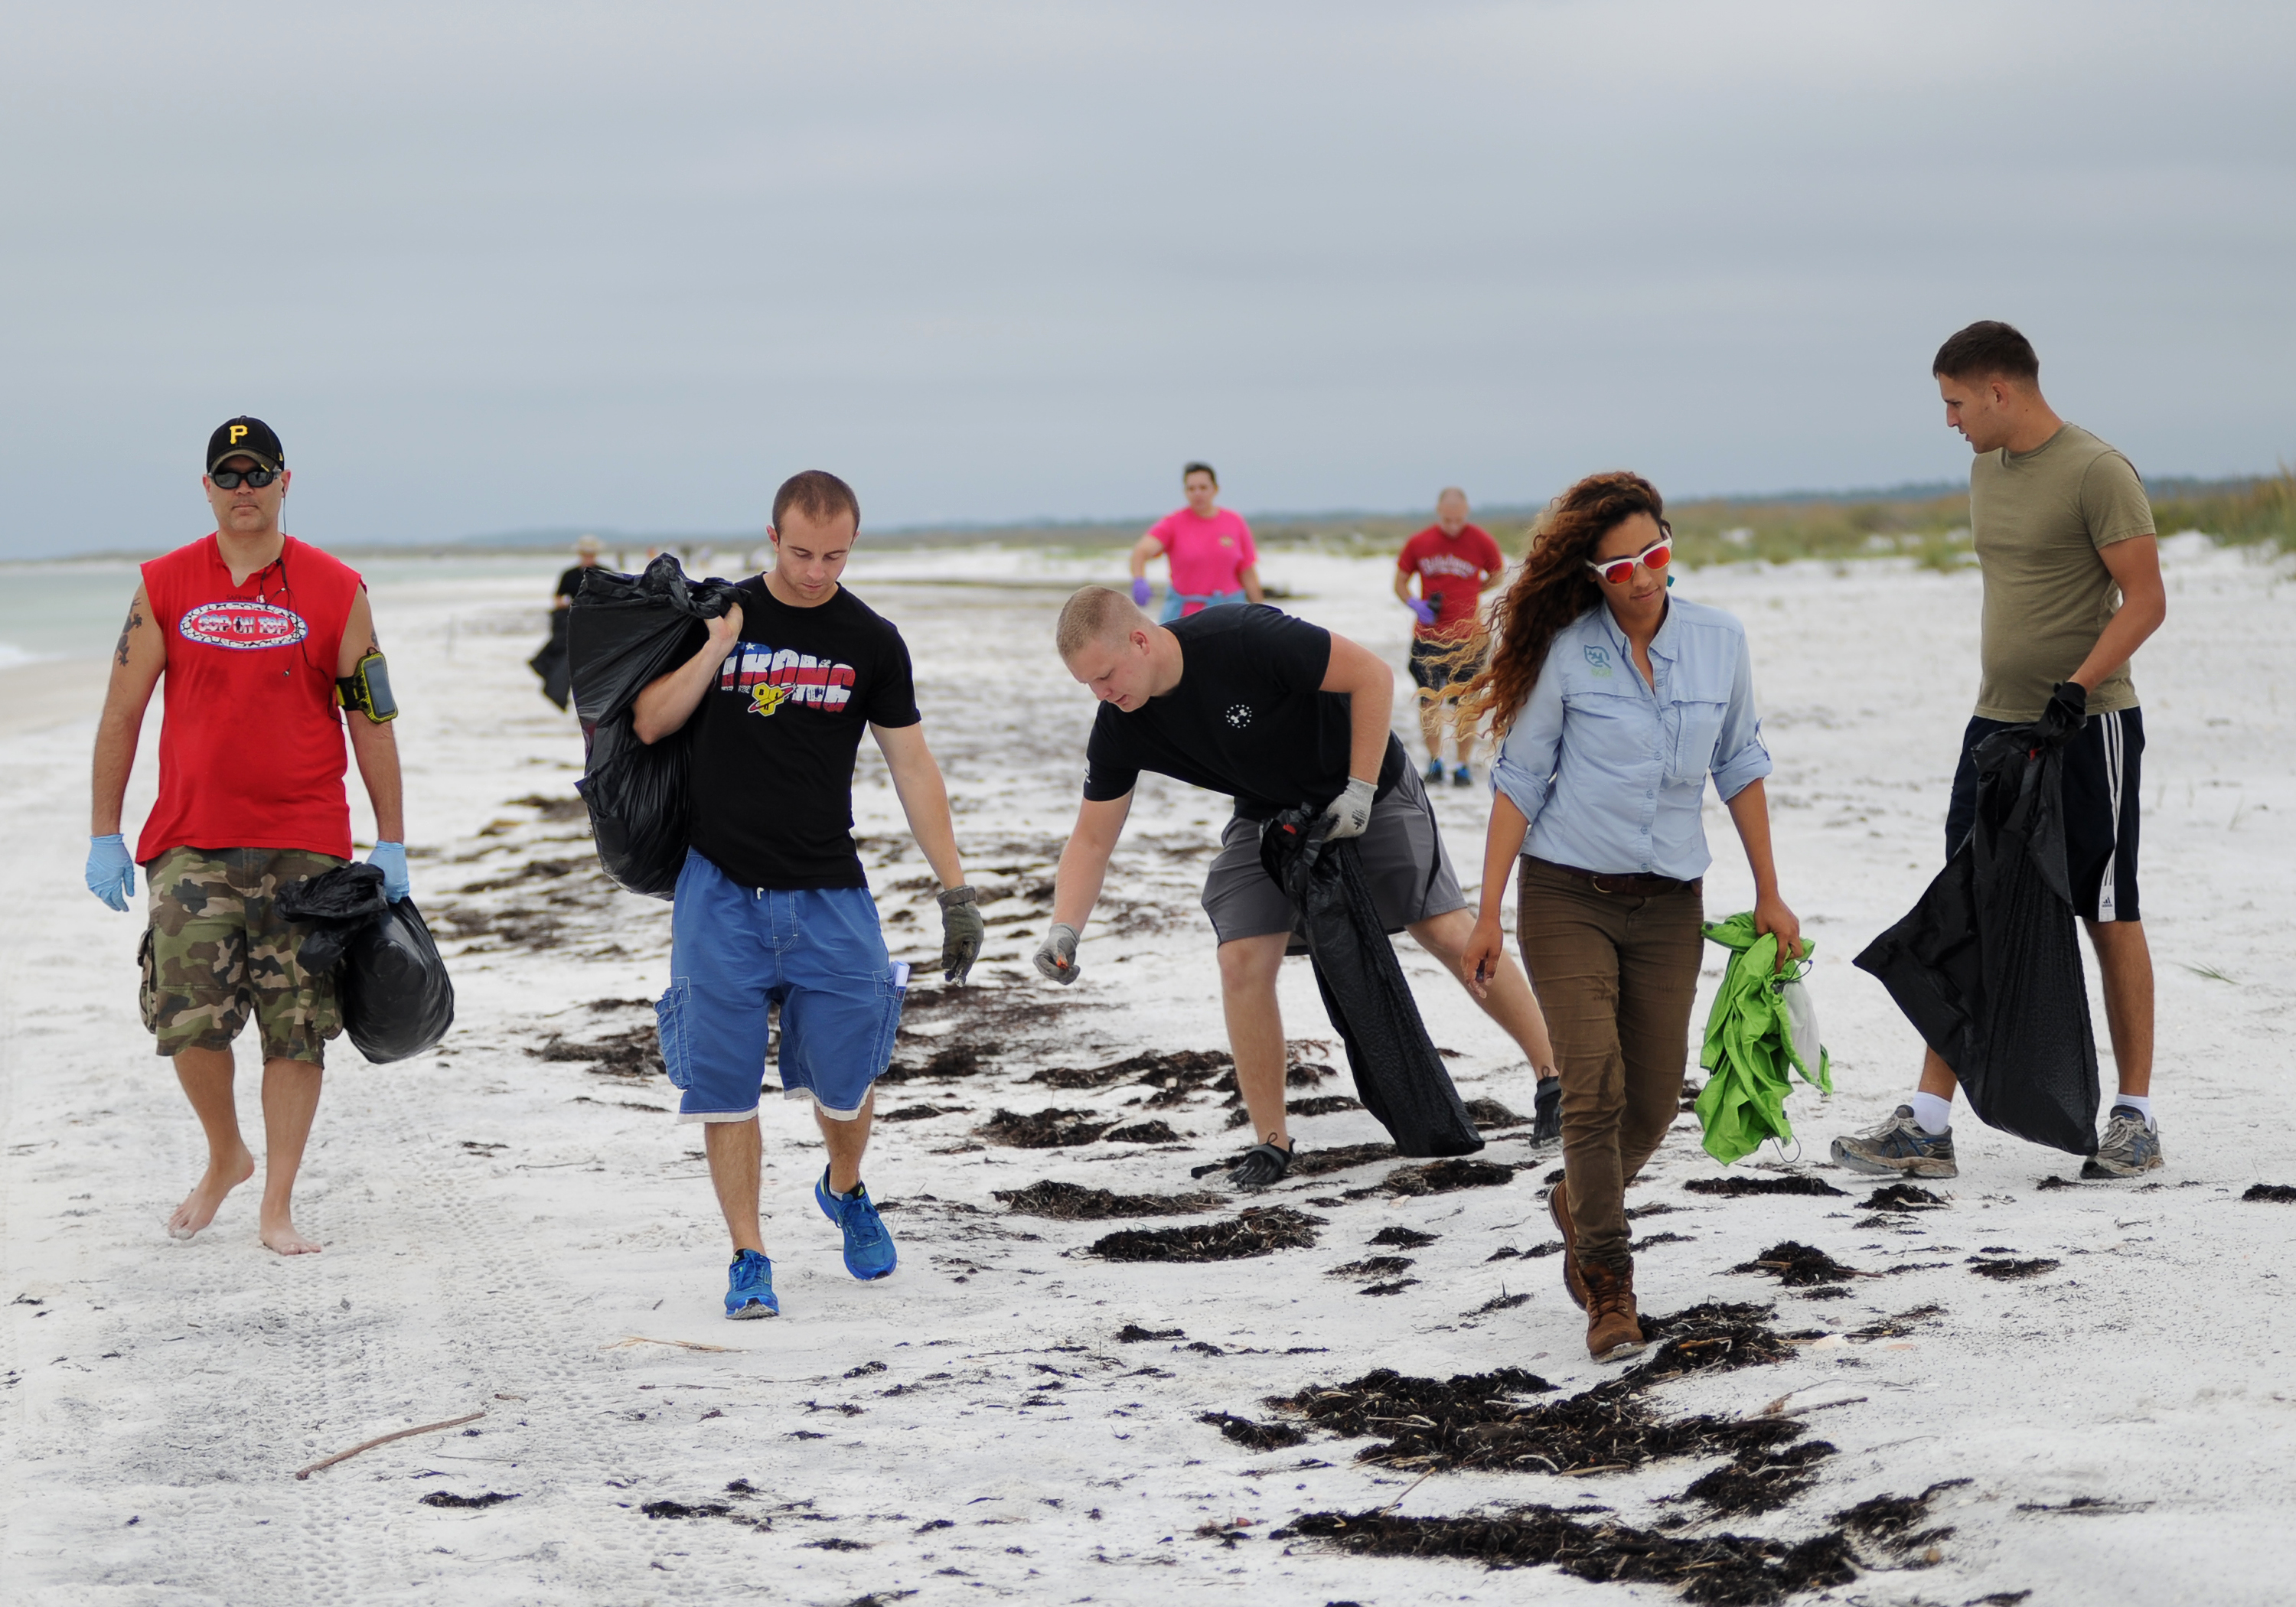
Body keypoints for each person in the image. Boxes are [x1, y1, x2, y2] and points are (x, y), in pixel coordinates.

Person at [1035, 588, 1561, 1187]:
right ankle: (1271, 1142)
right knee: (1241, 957)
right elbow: (1091, 840)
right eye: (1088, 686)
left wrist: (1359, 792)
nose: (1102, 694)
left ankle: (1554, 1077)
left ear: (1140, 639)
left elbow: (1372, 676)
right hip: (1269, 815)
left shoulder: (1243, 638)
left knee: (1440, 927)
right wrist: (1065, 927)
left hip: (1370, 781)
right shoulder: (1121, 724)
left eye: (1104, 676)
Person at [1459, 471, 1800, 1362]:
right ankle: (1609, 1286)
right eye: (1621, 566)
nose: (1644, 576)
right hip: (1567, 893)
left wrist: (1770, 891)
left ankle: (1578, 1204)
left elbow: (1741, 765)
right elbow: (1521, 780)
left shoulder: (1721, 643)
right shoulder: (1570, 653)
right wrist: (1486, 911)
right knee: (1593, 1087)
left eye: (1655, 553)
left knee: (1651, 1098)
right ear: (1592, 574)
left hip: (1671, 903)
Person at [630, 470, 985, 1319]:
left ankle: (846, 1186)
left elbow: (912, 765)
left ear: (851, 545)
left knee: (849, 1073)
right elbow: (648, 720)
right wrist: (717, 647)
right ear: (772, 535)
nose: (816, 571)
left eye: (834, 555)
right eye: (800, 553)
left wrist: (956, 889)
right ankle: (749, 1256)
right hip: (718, 889)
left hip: (829, 889)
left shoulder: (872, 639)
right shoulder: (718, 615)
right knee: (722, 1084)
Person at [1832, 321, 2167, 1182]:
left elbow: (2145, 601)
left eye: (1955, 403)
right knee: (1968, 907)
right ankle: (1928, 1123)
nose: (1950, 421)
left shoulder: (2100, 472)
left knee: (2106, 911)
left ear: (1999, 391)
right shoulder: (1988, 468)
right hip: (1996, 727)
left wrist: (2078, 687)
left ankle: (2134, 1118)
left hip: (2089, 729)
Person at [85, 416, 411, 1256]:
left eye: (255, 474)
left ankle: (278, 1202)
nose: (242, 490)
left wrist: (392, 840)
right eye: (227, 477)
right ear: (206, 488)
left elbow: (372, 718)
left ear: (283, 482)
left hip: (307, 845)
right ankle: (226, 1154)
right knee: (188, 1020)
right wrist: (104, 832)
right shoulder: (163, 585)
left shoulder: (338, 588)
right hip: (189, 839)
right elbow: (121, 713)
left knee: (297, 1027)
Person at [1394, 487, 1507, 787]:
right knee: (1429, 703)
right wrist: (1414, 604)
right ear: (1438, 512)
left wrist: (1473, 591)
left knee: (1466, 704)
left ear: (1466, 513)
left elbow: (1497, 574)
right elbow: (1400, 581)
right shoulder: (1419, 542)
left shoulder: (1481, 540)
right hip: (1428, 637)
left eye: (1458, 519)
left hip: (1469, 639)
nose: (1454, 525)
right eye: (1448, 519)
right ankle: (1434, 762)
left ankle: (1462, 766)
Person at [1127, 463, 1265, 622]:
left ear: (1215, 489)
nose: (1197, 494)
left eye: (1203, 487)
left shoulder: (1235, 522)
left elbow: (1248, 573)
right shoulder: (1173, 523)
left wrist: (1260, 613)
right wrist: (1139, 580)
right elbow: (1141, 551)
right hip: (1185, 617)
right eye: (1191, 489)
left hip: (1230, 614)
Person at [530, 534, 602, 709]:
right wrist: (568, 605)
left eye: (591, 553)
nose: (588, 557)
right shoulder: (569, 575)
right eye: (585, 553)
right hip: (573, 622)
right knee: (561, 657)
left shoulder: (604, 572)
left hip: (598, 624)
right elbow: (557, 598)